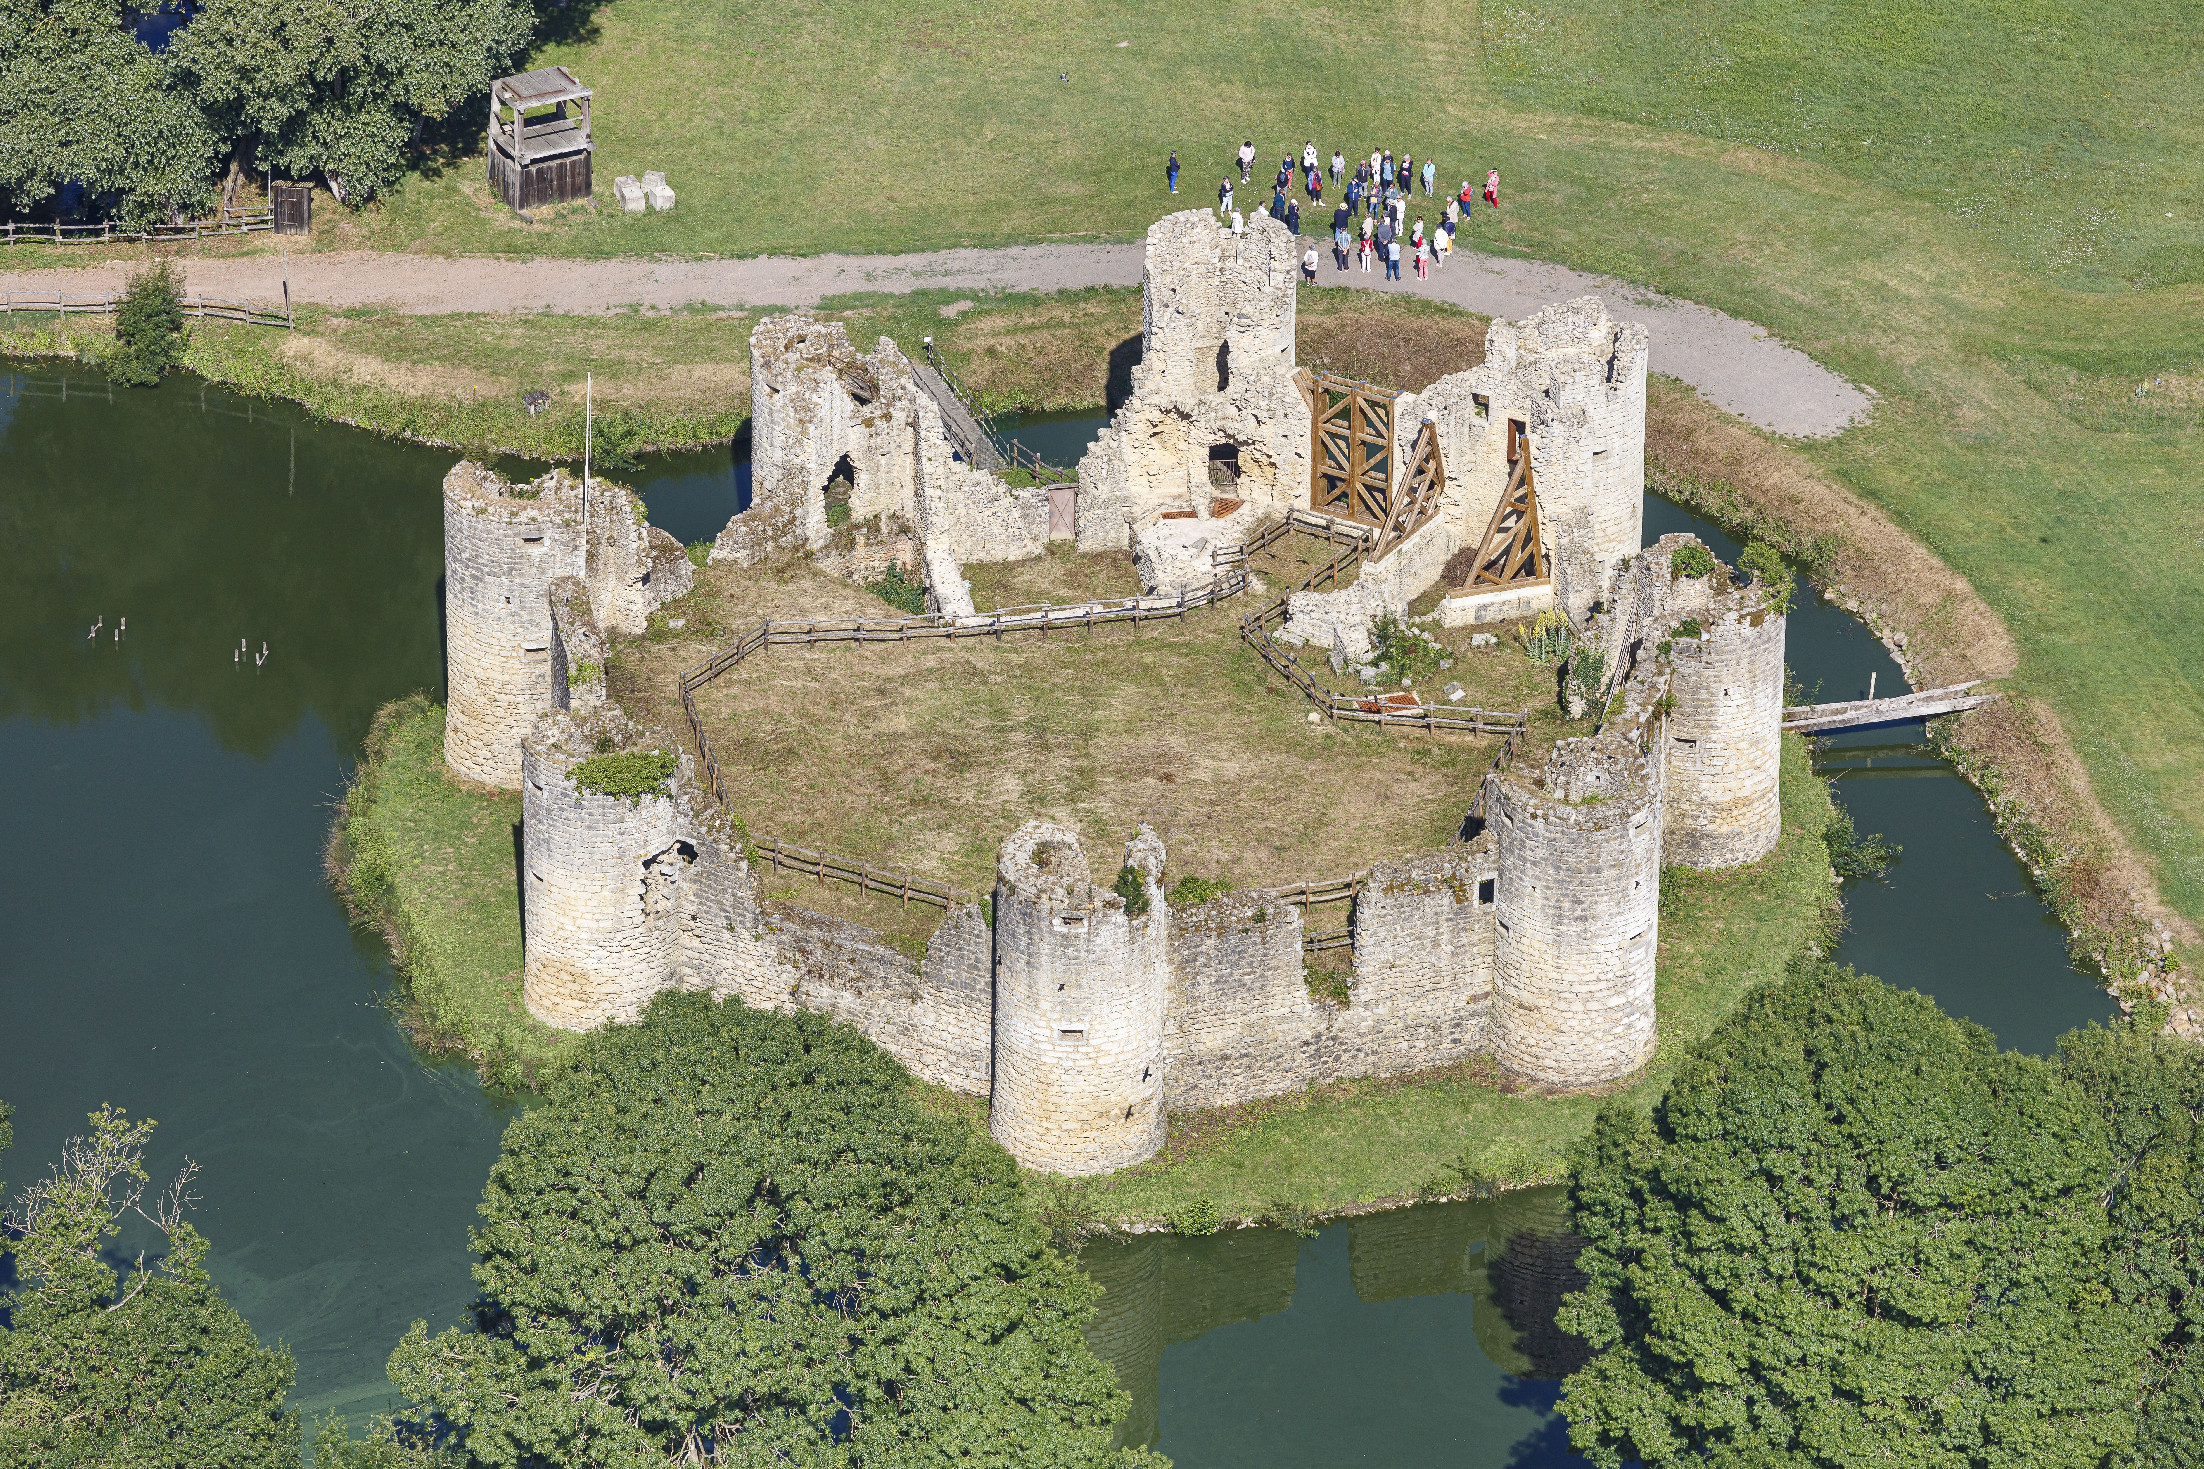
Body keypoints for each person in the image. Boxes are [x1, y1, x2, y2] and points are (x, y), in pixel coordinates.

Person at [1331, 201, 1350, 268]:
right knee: (1344, 234)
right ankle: (1344, 242)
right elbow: (1350, 213)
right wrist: (1347, 209)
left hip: (1338, 225)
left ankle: (1337, 241)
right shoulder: (1345, 213)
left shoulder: (1336, 211)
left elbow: (1334, 217)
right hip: (1344, 226)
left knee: (1337, 233)